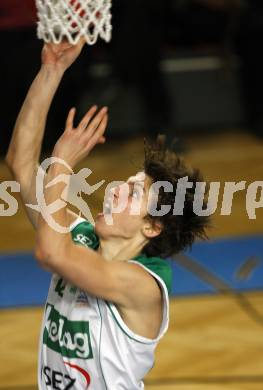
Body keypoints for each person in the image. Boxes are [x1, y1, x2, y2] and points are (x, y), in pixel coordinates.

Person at [6, 40, 209, 389]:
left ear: (152, 226)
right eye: (125, 183)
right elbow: (20, 163)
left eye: (132, 193)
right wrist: (51, 71)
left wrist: (61, 165)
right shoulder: (80, 235)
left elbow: (51, 253)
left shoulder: (144, 285)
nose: (116, 189)